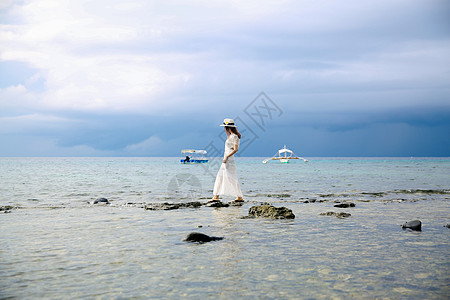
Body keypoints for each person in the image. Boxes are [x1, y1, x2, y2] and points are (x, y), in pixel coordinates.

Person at [210, 118, 244, 203]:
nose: (224, 129)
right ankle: (216, 196)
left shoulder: (234, 136)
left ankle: (239, 197)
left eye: (225, 127)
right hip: (226, 158)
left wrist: (226, 157)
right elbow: (231, 147)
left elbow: (236, 149)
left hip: (229, 159)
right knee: (221, 176)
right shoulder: (229, 136)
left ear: (227, 127)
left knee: (231, 177)